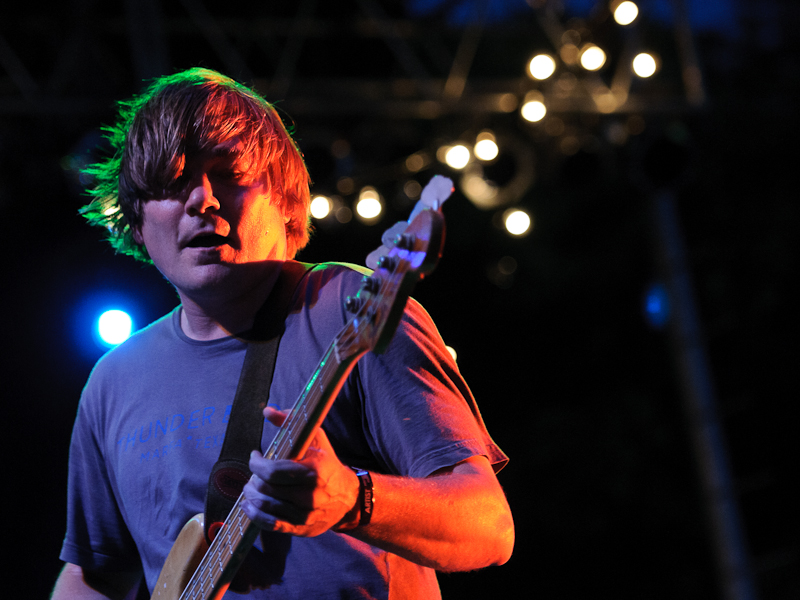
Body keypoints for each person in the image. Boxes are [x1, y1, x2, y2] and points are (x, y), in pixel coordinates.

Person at [52, 67, 514, 600]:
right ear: (135, 222)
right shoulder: (114, 381)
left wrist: (352, 500)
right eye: (172, 183)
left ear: (285, 199)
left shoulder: (347, 307)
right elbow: (94, 576)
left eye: (228, 173)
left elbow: (488, 527)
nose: (202, 200)